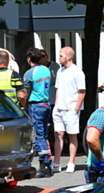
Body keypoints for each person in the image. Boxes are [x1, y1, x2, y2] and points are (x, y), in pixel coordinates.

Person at [20, 48, 54, 178]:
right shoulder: (46, 70)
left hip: (36, 105)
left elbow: (25, 94)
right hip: (46, 104)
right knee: (44, 134)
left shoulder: (29, 73)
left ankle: (44, 165)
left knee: (38, 135)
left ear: (29, 59)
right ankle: (48, 163)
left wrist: (23, 105)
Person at [52, 46, 86, 174]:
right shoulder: (60, 71)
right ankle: (56, 162)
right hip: (59, 108)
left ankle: (71, 162)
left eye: (61, 55)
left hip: (71, 108)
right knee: (58, 134)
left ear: (69, 57)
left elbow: (82, 91)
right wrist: (56, 105)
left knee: (72, 135)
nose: (59, 57)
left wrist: (76, 108)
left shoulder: (77, 72)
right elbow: (58, 89)